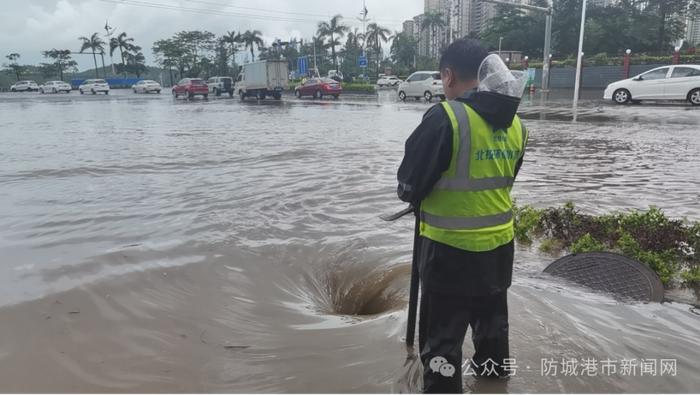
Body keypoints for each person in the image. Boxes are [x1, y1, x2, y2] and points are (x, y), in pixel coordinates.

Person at [396, 39, 528, 393]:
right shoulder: (516, 124)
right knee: (493, 334)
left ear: (449, 75)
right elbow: (504, 179)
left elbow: (408, 186)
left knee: (442, 348)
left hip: (448, 254)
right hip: (499, 250)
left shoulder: (446, 117)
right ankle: (495, 386)